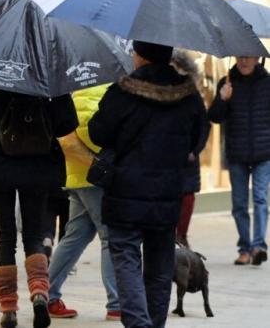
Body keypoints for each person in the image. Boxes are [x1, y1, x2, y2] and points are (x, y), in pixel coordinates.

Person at [88, 41, 207, 328]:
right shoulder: (188, 96)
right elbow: (197, 137)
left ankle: (139, 324)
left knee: (126, 260)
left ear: (140, 56)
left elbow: (99, 133)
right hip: (167, 195)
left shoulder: (121, 92)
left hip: (125, 192)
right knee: (159, 266)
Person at [0, 86, 78, 328]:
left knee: (5, 237)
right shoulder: (48, 79)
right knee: (34, 235)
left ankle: (8, 308)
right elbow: (68, 123)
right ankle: (39, 293)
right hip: (39, 165)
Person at [46, 84, 121, 321]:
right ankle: (117, 303)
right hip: (95, 177)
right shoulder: (101, 93)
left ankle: (46, 295)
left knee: (75, 236)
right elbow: (93, 134)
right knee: (111, 236)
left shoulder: (75, 92)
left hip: (77, 177)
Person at [209, 55, 270, 266]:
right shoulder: (227, 82)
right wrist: (222, 99)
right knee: (239, 204)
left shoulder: (267, 83)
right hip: (237, 154)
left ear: (256, 58)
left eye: (248, 57)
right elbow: (214, 117)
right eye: (240, 57)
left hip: (264, 152)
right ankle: (244, 248)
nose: (244, 61)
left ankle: (258, 246)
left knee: (261, 199)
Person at [170, 50, 211, 249]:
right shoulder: (158, 91)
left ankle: (181, 236)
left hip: (187, 156)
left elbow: (204, 125)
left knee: (186, 197)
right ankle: (169, 236)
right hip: (165, 156)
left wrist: (195, 150)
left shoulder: (192, 94)